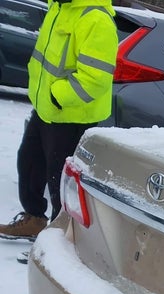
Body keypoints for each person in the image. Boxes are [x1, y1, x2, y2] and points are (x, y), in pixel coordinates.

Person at [0, 0, 118, 245]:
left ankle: (58, 241)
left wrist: (57, 95)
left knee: (61, 182)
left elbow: (95, 79)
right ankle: (34, 219)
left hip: (71, 116)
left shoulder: (96, 19)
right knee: (29, 163)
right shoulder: (59, 9)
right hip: (46, 109)